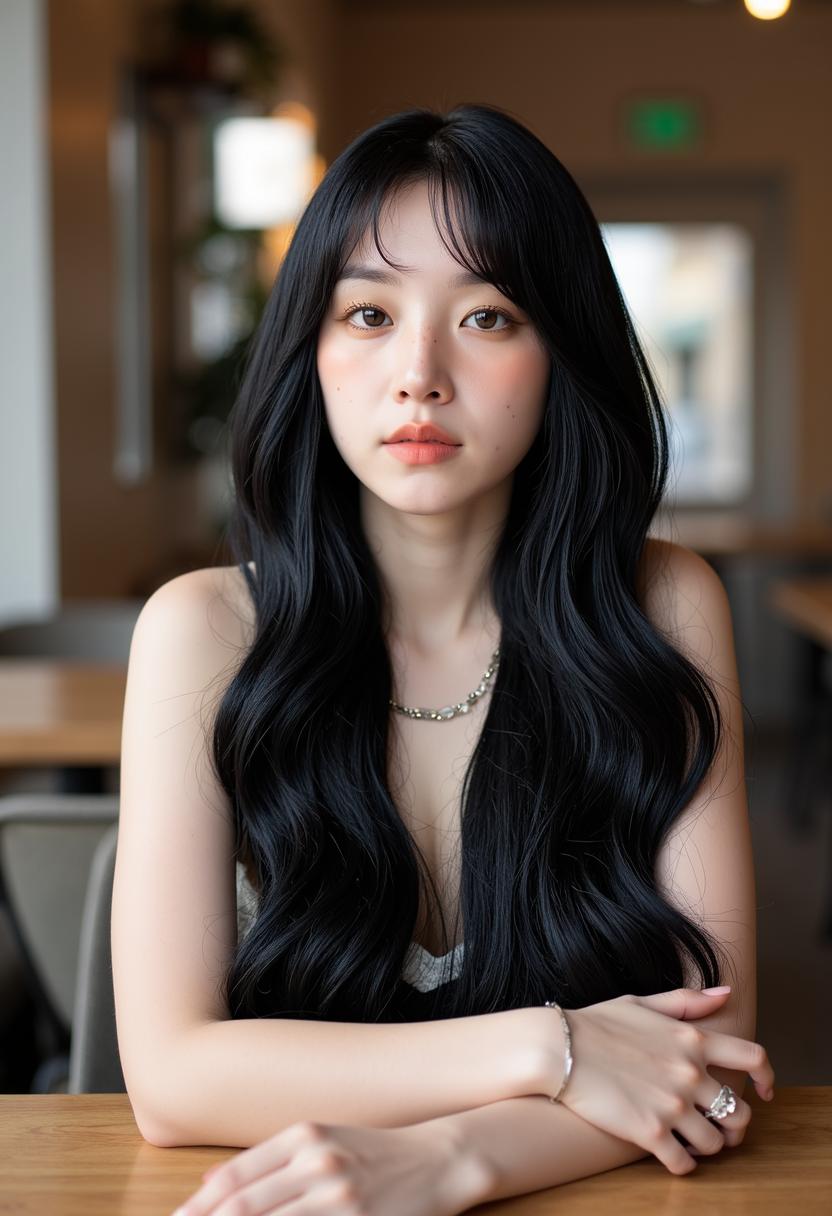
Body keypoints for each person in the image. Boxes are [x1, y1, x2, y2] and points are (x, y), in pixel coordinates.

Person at [112, 103, 775, 1215]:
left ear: (561, 350)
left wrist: (449, 1160)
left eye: (488, 316)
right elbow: (175, 1081)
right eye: (367, 312)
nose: (418, 373)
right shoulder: (204, 629)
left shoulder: (662, 605)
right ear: (309, 354)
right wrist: (553, 1046)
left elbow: (710, 1058)